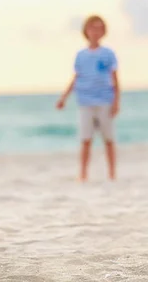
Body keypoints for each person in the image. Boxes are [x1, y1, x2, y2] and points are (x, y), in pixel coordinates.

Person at [56, 15, 120, 181]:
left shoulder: (108, 54)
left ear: (104, 31)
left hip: (104, 100)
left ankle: (112, 174)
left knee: (108, 139)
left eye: (99, 28)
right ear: (86, 31)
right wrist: (64, 97)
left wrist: (116, 102)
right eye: (92, 28)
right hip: (85, 101)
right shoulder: (81, 55)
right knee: (85, 139)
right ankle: (83, 174)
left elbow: (115, 79)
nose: (95, 32)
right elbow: (76, 77)